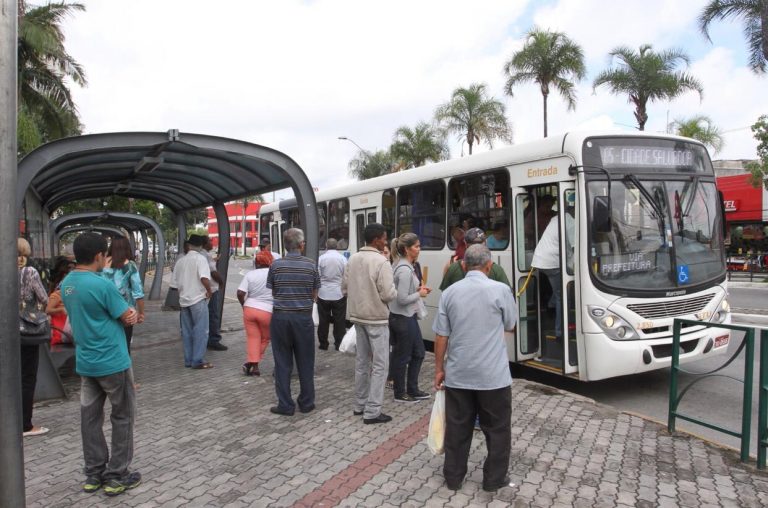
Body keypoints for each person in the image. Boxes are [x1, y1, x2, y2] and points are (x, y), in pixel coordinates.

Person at [60, 232, 141, 496]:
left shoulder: (67, 283)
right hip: (113, 361)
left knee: (90, 419)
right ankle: (117, 475)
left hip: (86, 362)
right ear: (98, 256)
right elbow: (126, 316)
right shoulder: (102, 285)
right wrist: (133, 314)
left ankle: (94, 473)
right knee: (123, 415)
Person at [433, 244, 518, 492]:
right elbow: (511, 325)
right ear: (489, 266)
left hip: (459, 375)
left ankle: (453, 477)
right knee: (498, 430)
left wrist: (439, 369)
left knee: (457, 428)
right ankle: (493, 480)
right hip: (494, 377)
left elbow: (441, 336)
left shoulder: (449, 293)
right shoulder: (501, 290)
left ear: (463, 265)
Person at [342, 223, 397, 424]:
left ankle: (359, 404)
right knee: (381, 365)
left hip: (357, 317)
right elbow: (389, 294)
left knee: (362, 362)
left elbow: (345, 288)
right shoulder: (382, 262)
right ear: (376, 240)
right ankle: (373, 411)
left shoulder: (353, 259)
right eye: (384, 238)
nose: (386, 241)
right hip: (377, 319)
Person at [267, 228, 320, 416]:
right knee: (306, 360)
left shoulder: (276, 265)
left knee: (282, 361)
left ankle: (285, 405)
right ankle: (306, 402)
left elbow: (273, 291)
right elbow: (315, 294)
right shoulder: (311, 265)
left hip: (280, 317)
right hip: (303, 318)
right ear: (301, 244)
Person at [389, 233, 431, 403]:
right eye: (417, 246)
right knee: (404, 356)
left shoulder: (403, 265)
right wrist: (419, 294)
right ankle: (400, 393)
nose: (419, 250)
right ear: (407, 249)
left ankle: (412, 389)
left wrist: (419, 292)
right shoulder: (405, 270)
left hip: (405, 317)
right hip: (403, 318)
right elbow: (402, 298)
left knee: (418, 353)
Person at [18, 237, 50, 437]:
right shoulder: (29, 272)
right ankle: (25, 424)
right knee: (27, 377)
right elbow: (44, 298)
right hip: (25, 331)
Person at [531, 205, 574, 343]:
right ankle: (560, 333)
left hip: (541, 260)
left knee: (557, 291)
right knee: (564, 296)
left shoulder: (555, 218)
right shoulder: (569, 219)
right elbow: (574, 246)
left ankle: (550, 306)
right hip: (553, 262)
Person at [173, 235, 213, 369]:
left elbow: (175, 284)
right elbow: (204, 278)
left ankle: (188, 360)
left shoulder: (180, 261)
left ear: (189, 245)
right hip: (198, 299)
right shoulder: (200, 259)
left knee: (187, 332)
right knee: (201, 330)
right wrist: (209, 290)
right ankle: (198, 360)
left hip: (184, 300)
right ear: (201, 246)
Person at [100, 237, 145, 354]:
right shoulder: (129, 265)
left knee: (108, 347)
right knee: (124, 347)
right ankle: (125, 371)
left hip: (104, 311)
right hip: (126, 312)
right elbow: (138, 292)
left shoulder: (102, 263)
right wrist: (141, 313)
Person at [237, 250, 274, 376]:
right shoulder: (273, 274)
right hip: (267, 311)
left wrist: (244, 305)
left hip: (249, 309)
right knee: (265, 338)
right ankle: (253, 364)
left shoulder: (250, 275)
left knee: (253, 338)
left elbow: (240, 293)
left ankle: (254, 365)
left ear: (256, 262)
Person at [439, 228, 510, 291]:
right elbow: (507, 296)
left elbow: (445, 295)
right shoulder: (496, 269)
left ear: (466, 244)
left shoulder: (453, 267)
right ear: (485, 244)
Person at [316, 238, 348, 350]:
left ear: (326, 245)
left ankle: (323, 343)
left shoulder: (321, 259)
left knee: (323, 320)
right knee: (339, 321)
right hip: (338, 293)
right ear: (337, 246)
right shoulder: (343, 259)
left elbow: (317, 277)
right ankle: (339, 343)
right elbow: (346, 276)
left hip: (323, 293)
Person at [203, 236, 227, 351]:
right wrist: (221, 282)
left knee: (207, 315)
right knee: (214, 315)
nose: (211, 242)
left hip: (204, 290)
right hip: (212, 288)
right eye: (209, 241)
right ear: (204, 243)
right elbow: (213, 272)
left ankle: (207, 338)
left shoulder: (203, 255)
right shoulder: (206, 255)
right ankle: (214, 340)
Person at [46, 255, 76, 345]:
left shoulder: (68, 289)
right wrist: (61, 309)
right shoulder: (58, 294)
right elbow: (47, 310)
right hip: (60, 327)